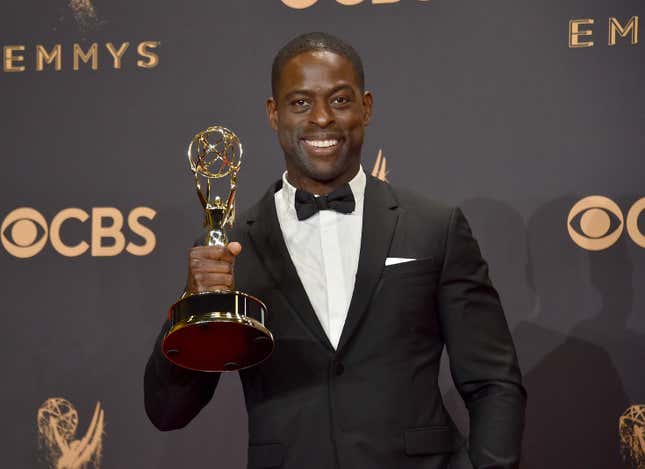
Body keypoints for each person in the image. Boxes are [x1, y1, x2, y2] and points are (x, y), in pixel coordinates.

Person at [144, 32, 526, 469]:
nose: (322, 118)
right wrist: (193, 309)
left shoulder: (434, 227)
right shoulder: (232, 249)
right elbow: (168, 412)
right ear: (274, 113)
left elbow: (493, 382)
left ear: (366, 106)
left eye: (340, 101)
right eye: (301, 103)